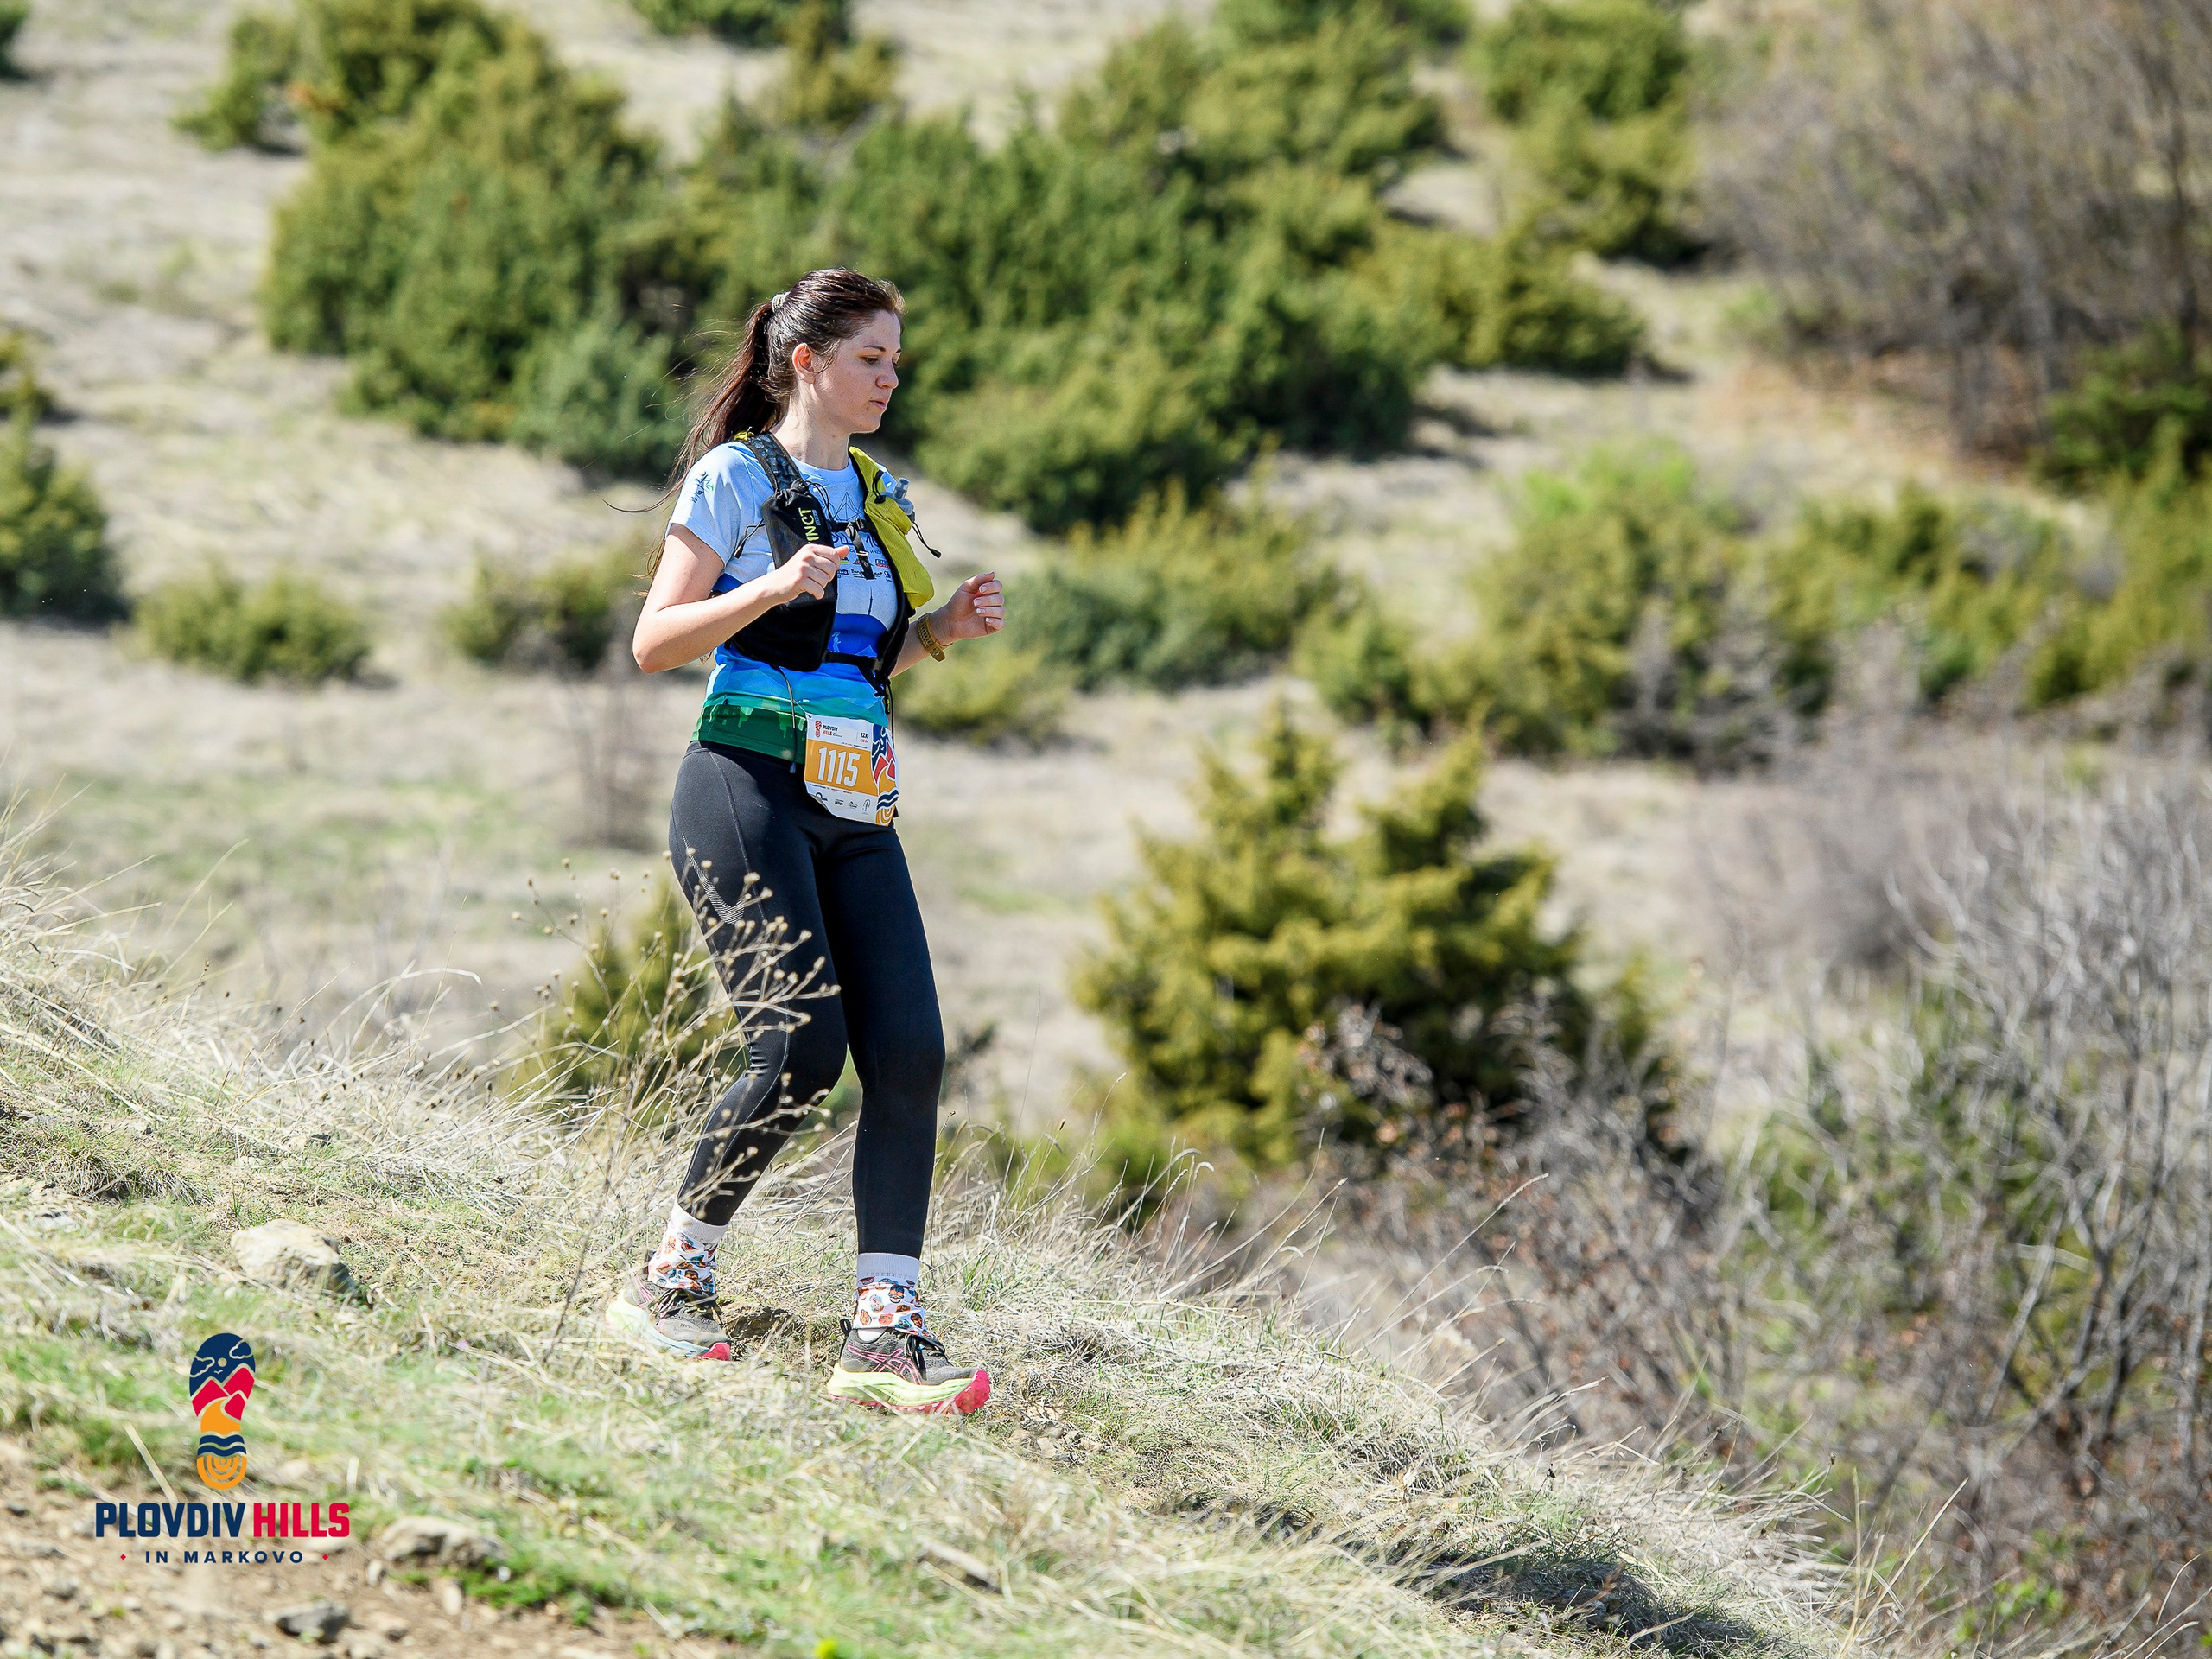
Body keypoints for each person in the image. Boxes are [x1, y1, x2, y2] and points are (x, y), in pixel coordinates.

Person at [607, 268, 1003, 1414]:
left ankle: (884, 1335)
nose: (893, 376)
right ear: (809, 364)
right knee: (798, 1047)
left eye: (896, 357)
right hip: (744, 785)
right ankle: (667, 1285)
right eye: (873, 357)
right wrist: (771, 583)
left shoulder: (879, 490)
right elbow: (655, 641)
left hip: (856, 804)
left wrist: (940, 629)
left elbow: (859, 661)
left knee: (913, 1050)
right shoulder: (738, 476)